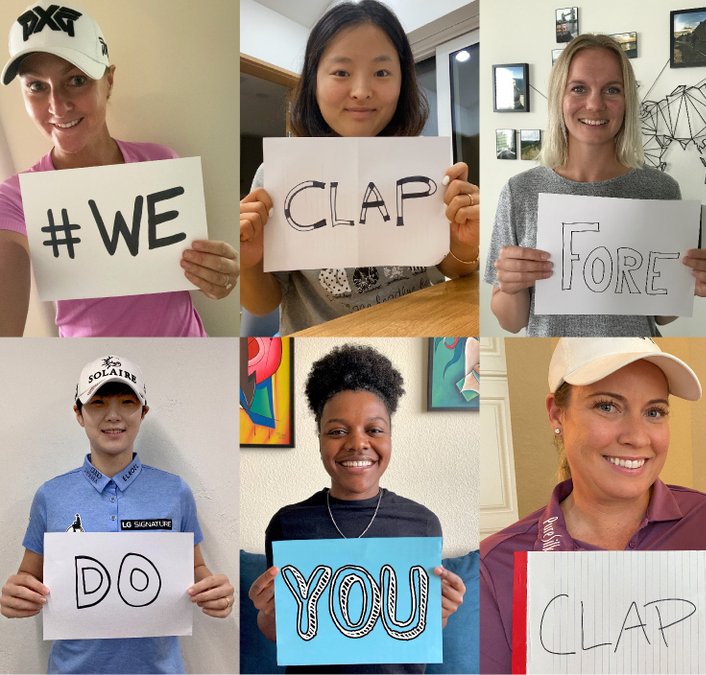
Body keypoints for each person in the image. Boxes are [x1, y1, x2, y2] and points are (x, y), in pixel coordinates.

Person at [239, 0, 480, 335]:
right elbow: (263, 304)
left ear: (402, 81)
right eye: (341, 72)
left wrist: (464, 242)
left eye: (381, 73)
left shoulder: (425, 169)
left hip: (421, 334)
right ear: (313, 81)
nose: (362, 91)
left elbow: (452, 269)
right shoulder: (278, 177)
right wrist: (250, 262)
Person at [479, 337, 706, 672]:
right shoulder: (495, 566)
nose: (636, 437)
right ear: (556, 414)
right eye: (607, 406)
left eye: (654, 412)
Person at [0, 1, 239, 337]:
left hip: (188, 352)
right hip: (98, 368)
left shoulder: (161, 164)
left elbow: (195, 276)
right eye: (37, 86)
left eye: (76, 79)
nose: (57, 106)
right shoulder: (14, 199)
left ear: (109, 81)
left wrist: (217, 277)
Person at [0, 354, 234, 673]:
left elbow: (195, 567)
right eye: (97, 403)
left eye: (127, 402)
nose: (113, 416)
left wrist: (215, 591)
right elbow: (29, 576)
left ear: (143, 412)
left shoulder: (176, 492)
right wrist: (15, 595)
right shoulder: (50, 496)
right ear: (79, 414)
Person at [246, 344, 466, 674]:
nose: (357, 443)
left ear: (389, 436)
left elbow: (423, 628)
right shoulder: (288, 525)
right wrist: (266, 613)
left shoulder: (421, 524)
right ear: (319, 438)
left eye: (374, 430)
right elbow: (279, 632)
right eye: (337, 431)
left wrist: (444, 611)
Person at [485, 33, 706, 336]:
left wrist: (690, 282)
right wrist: (511, 285)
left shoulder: (660, 190)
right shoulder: (521, 191)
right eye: (578, 88)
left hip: (636, 354)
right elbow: (512, 322)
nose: (595, 104)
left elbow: (663, 317)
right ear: (559, 97)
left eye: (612, 90)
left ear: (627, 102)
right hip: (553, 356)